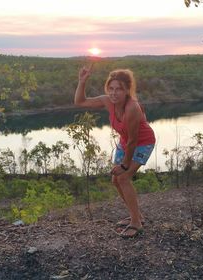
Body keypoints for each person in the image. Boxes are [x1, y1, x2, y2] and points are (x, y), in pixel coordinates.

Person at [74, 67, 155, 238]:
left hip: (143, 143)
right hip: (125, 143)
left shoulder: (132, 107)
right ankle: (136, 215)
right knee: (115, 180)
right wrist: (82, 81)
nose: (114, 93)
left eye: (119, 89)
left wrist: (125, 165)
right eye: (111, 88)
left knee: (124, 177)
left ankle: (136, 223)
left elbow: (134, 140)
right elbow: (80, 102)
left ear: (127, 90)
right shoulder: (107, 101)